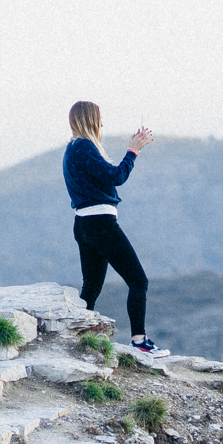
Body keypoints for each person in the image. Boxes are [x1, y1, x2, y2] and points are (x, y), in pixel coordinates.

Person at [63, 100, 157, 350]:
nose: (102, 123)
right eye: (99, 118)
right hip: (100, 222)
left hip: (84, 223)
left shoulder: (72, 149)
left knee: (91, 288)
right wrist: (133, 151)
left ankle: (78, 339)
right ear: (90, 121)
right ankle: (139, 341)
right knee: (138, 281)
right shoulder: (83, 146)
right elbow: (116, 176)